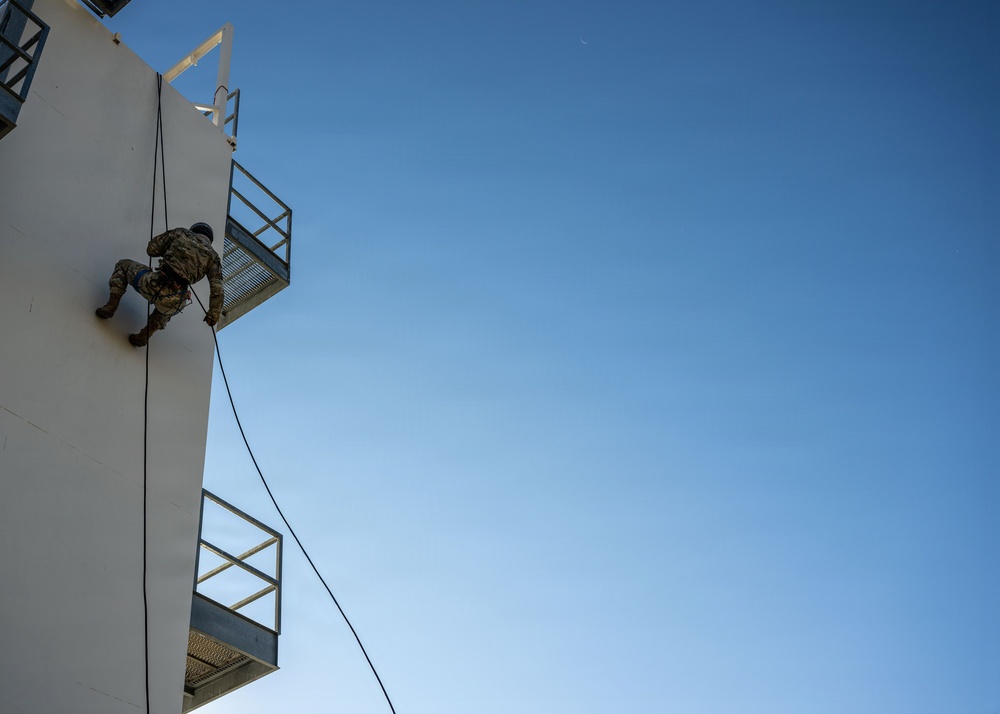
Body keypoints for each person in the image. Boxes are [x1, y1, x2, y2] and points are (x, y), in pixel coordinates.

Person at [95, 222, 224, 346]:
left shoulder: (181, 233)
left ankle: (111, 306)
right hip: (175, 298)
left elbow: (151, 249)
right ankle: (144, 335)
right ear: (210, 240)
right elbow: (217, 289)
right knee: (171, 308)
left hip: (154, 282)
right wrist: (213, 314)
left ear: (193, 230)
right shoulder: (213, 258)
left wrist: (171, 252)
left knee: (123, 265)